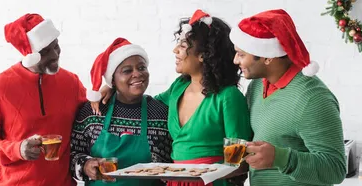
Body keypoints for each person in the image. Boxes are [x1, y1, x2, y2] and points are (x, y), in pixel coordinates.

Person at [93, 10, 253, 186]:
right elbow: (145, 102)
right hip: (177, 181)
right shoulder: (179, 87)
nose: (175, 50)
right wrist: (113, 84)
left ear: (203, 55)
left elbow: (239, 163)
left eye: (183, 45)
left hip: (212, 182)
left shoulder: (228, 96)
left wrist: (204, 174)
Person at [229, 9, 346, 186]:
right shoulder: (258, 85)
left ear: (268, 58)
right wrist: (227, 168)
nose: (235, 61)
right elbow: (256, 145)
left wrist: (280, 158)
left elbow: (335, 169)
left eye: (242, 54)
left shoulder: (313, 99)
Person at [0, 13, 86, 186]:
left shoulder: (71, 82)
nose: (55, 54)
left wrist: (107, 88)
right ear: (30, 54)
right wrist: (17, 149)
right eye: (46, 51)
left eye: (56, 46)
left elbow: (93, 119)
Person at [70, 37, 172, 186]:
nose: (137, 74)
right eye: (127, 71)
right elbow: (69, 155)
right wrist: (85, 165)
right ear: (113, 80)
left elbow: (174, 163)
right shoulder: (93, 112)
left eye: (142, 67)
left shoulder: (161, 112)